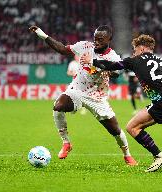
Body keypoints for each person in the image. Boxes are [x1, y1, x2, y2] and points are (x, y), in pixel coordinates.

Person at [81, 34, 162, 172]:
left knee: (132, 127)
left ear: (142, 48)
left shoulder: (135, 60)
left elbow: (113, 66)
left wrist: (92, 61)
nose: (134, 52)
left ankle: (159, 156)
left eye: (135, 49)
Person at [29, 25, 137, 166]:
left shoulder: (113, 57)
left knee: (115, 130)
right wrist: (41, 34)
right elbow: (62, 49)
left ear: (109, 39)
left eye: (100, 39)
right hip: (77, 90)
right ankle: (66, 143)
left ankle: (127, 155)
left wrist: (96, 64)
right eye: (95, 39)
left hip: (97, 97)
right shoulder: (84, 46)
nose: (96, 42)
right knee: (58, 106)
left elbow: (116, 71)